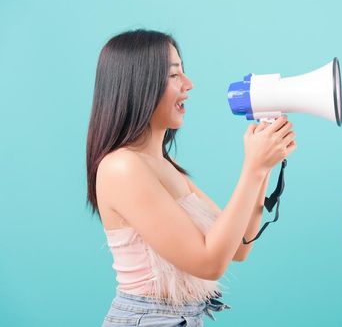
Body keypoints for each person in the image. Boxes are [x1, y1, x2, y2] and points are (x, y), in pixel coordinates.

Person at [86, 29, 296, 326]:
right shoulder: (122, 167)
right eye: (175, 75)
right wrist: (252, 168)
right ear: (140, 84)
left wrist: (263, 168)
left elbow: (239, 246)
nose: (189, 85)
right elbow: (208, 263)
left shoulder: (163, 164)